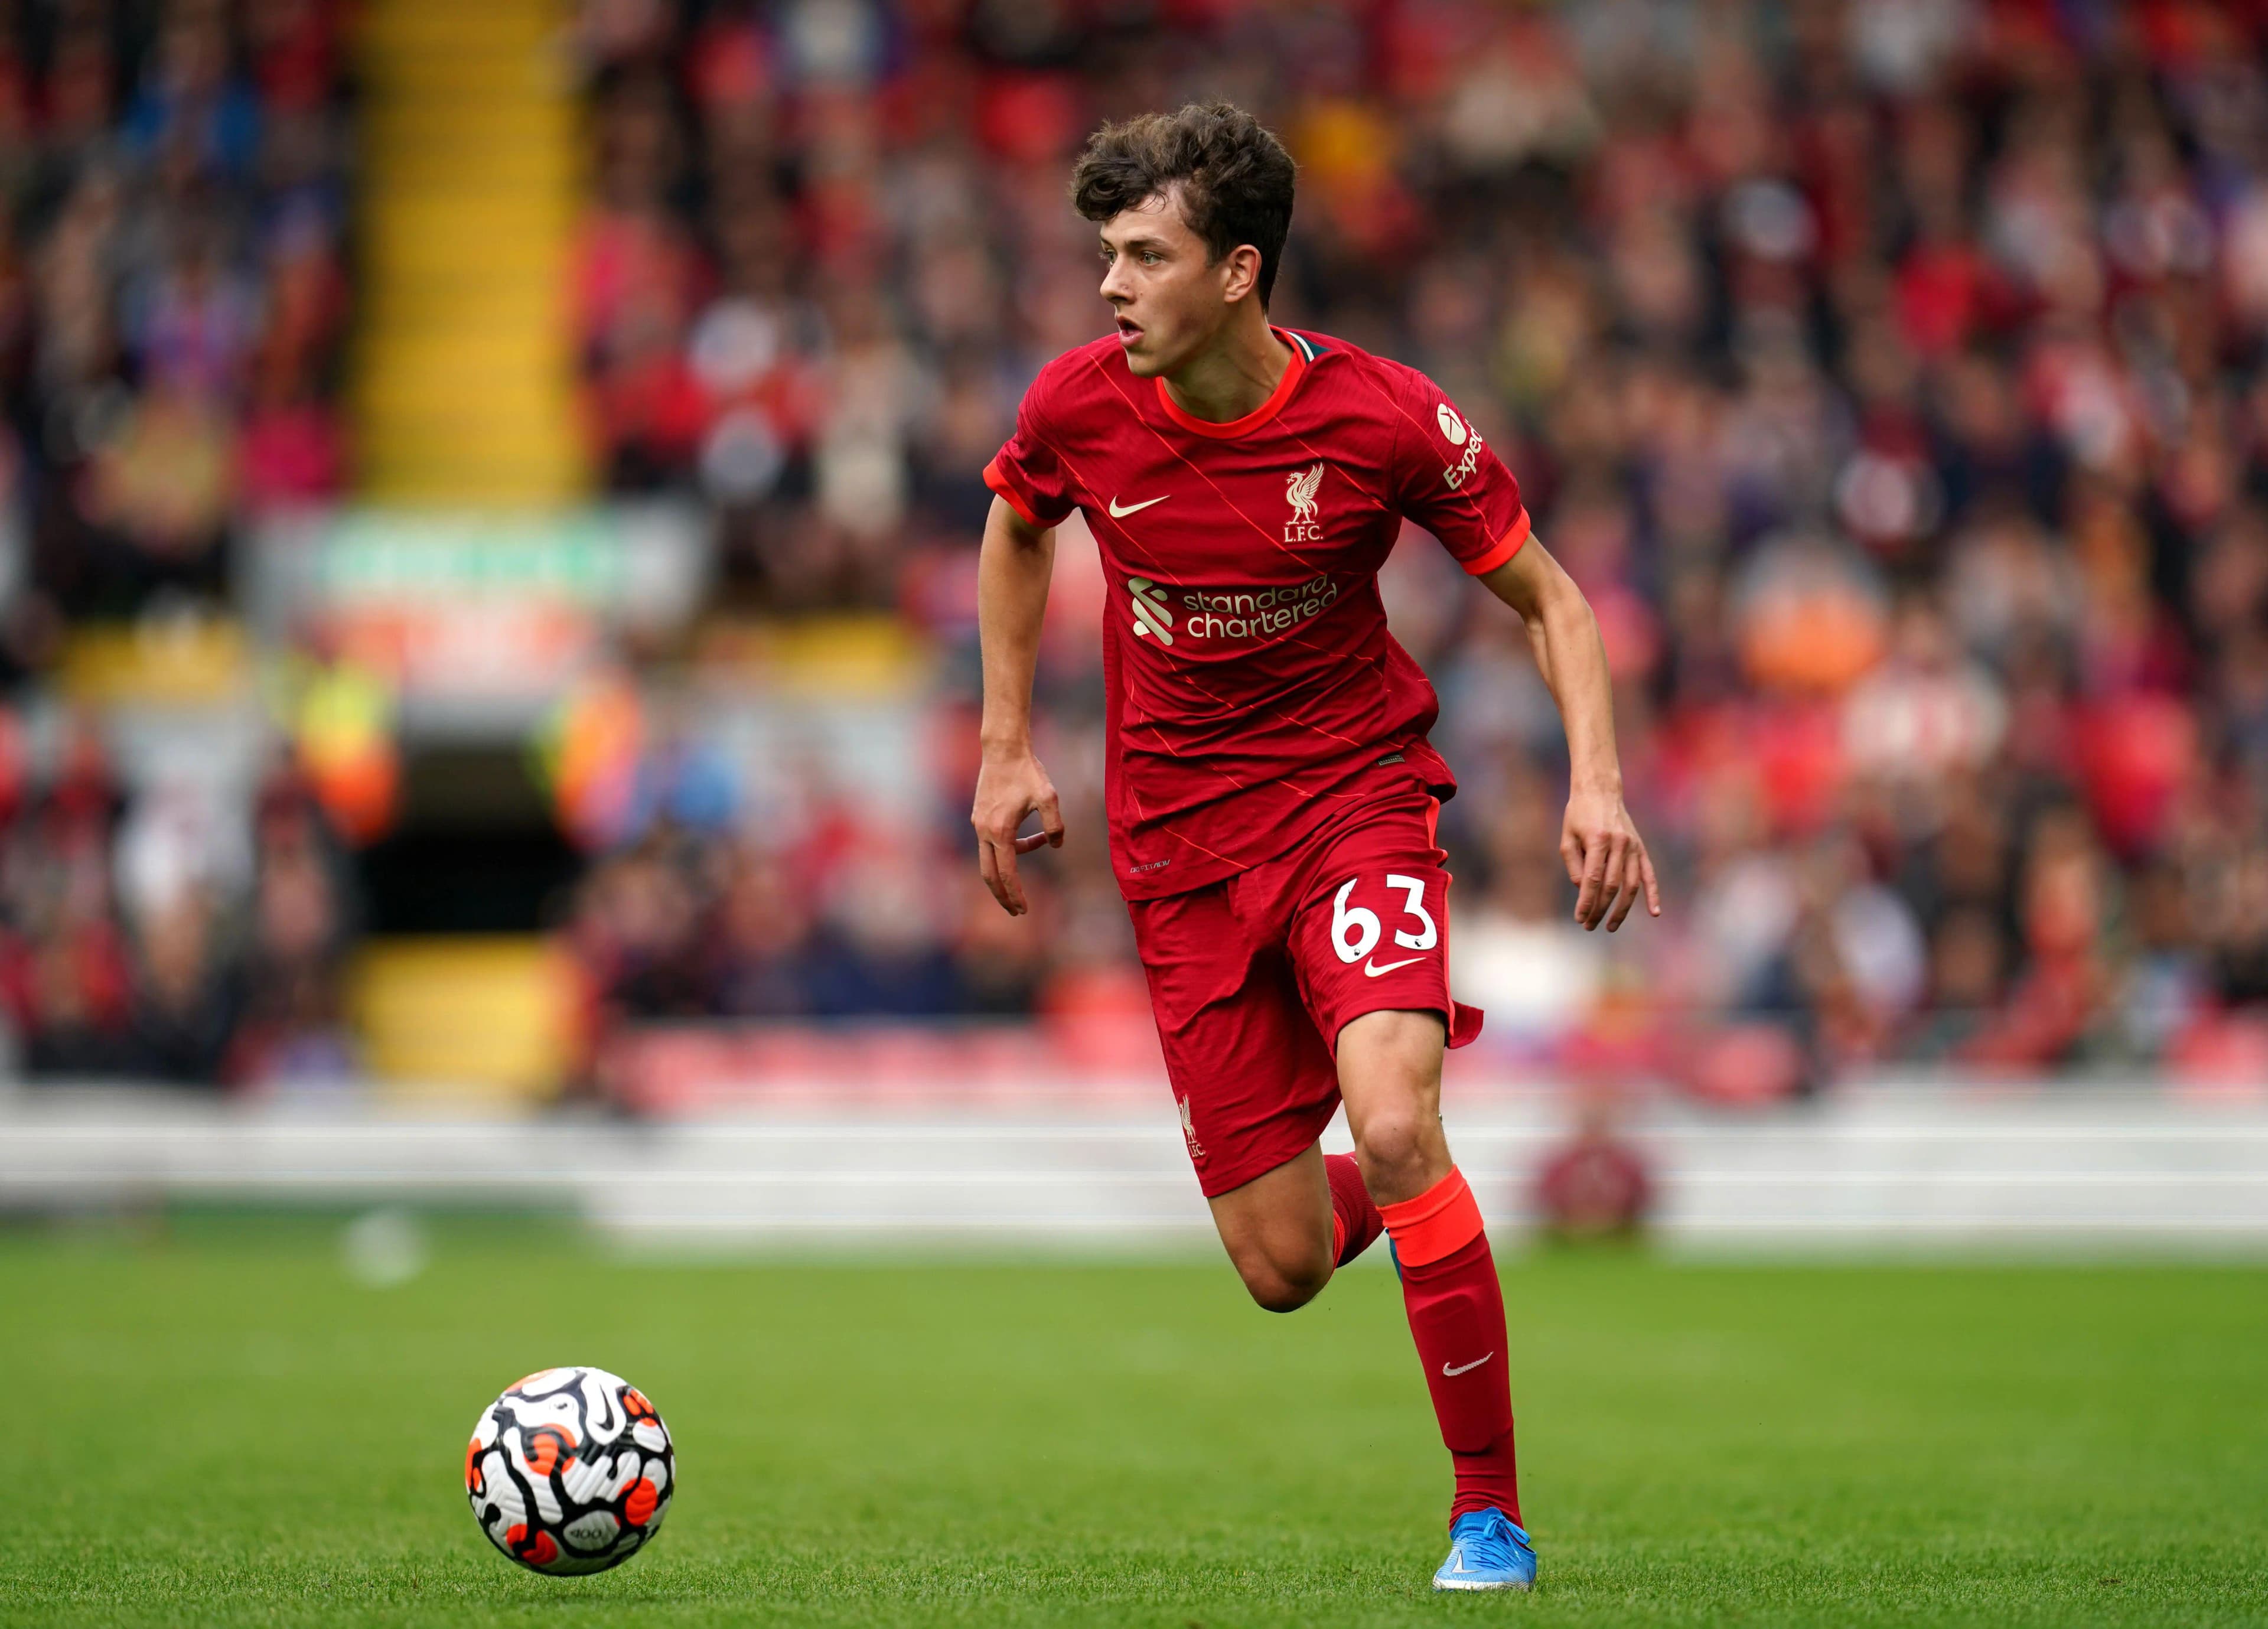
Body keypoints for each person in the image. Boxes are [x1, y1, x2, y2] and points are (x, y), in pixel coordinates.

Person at [971, 102, 1659, 1593]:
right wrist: (1005, 740)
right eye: (1105, 253)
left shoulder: (1384, 419)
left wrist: (1595, 782)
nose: (1109, 285)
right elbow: (1018, 525)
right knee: (1282, 1263)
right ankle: (1421, 1213)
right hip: (1177, 850)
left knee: (1398, 1119)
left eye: (1142, 254)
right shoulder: (1079, 406)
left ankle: (1491, 1514)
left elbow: (1557, 602)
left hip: (1354, 806)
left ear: (1237, 270)